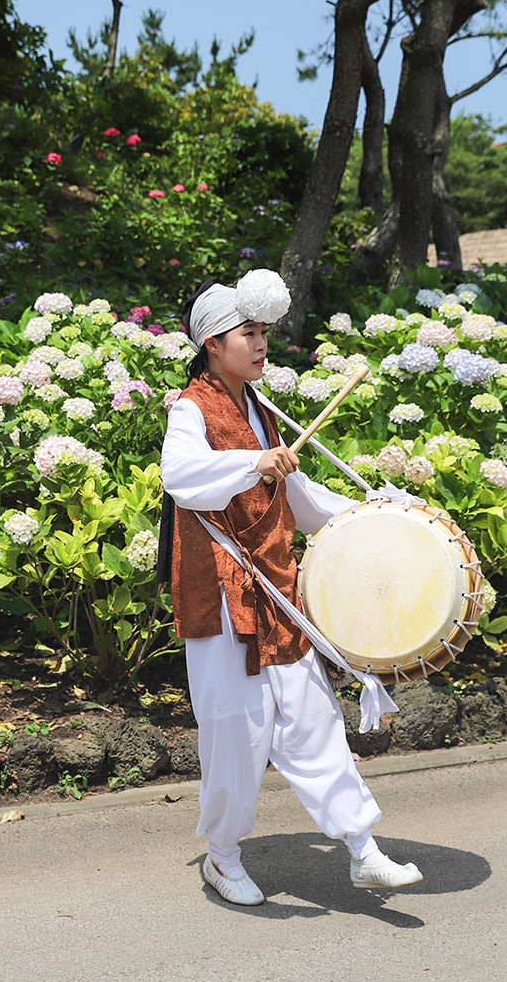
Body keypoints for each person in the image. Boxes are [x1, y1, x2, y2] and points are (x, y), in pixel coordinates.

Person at [159, 270, 422, 906]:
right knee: (236, 735)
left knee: (313, 719)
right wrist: (252, 462)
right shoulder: (191, 408)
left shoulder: (259, 406)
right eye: (245, 333)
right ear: (212, 344)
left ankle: (361, 849)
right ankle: (221, 857)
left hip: (276, 587)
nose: (259, 343)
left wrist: (370, 509)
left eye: (262, 332)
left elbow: (295, 498)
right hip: (223, 597)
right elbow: (181, 478)